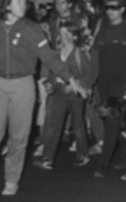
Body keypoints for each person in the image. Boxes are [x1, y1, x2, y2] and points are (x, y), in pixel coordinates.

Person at [0, 0, 88, 202]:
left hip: (23, 85)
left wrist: (71, 79)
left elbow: (50, 57)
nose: (26, 4)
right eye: (20, 1)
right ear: (7, 5)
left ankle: (11, 180)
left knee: (19, 137)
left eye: (25, 1)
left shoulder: (32, 29)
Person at [89, 0, 126, 178]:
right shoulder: (102, 31)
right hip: (103, 83)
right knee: (110, 121)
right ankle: (122, 151)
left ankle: (103, 164)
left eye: (114, 8)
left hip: (123, 84)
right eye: (107, 8)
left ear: (122, 9)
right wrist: (88, 82)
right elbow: (94, 59)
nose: (109, 11)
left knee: (112, 123)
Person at [33, 22, 93, 170]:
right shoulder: (56, 53)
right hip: (58, 92)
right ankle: (48, 158)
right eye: (61, 34)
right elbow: (52, 73)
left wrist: (77, 85)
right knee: (53, 126)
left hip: (74, 93)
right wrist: (49, 84)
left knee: (78, 124)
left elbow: (88, 74)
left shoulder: (80, 53)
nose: (64, 37)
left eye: (67, 34)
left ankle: (82, 153)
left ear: (74, 36)